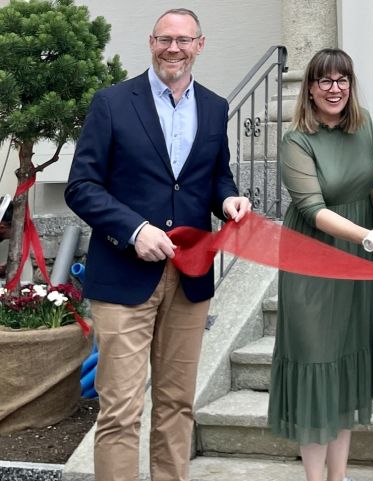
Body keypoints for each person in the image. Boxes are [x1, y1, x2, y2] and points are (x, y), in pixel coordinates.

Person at [64, 9, 251, 481]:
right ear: (151, 42)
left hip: (189, 279)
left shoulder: (214, 106)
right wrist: (133, 230)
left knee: (176, 405)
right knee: (121, 412)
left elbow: (214, 176)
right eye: (165, 39)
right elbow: (81, 186)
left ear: (200, 45)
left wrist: (228, 198)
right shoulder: (111, 103)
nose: (174, 48)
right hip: (124, 278)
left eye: (184, 40)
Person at [267, 48, 373, 481]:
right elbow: (313, 209)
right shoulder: (296, 140)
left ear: (351, 85)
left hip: (358, 262)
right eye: (324, 81)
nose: (334, 89)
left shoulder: (365, 128)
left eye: (342, 80)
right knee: (317, 362)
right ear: (311, 89)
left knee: (346, 363)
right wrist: (370, 237)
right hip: (313, 261)